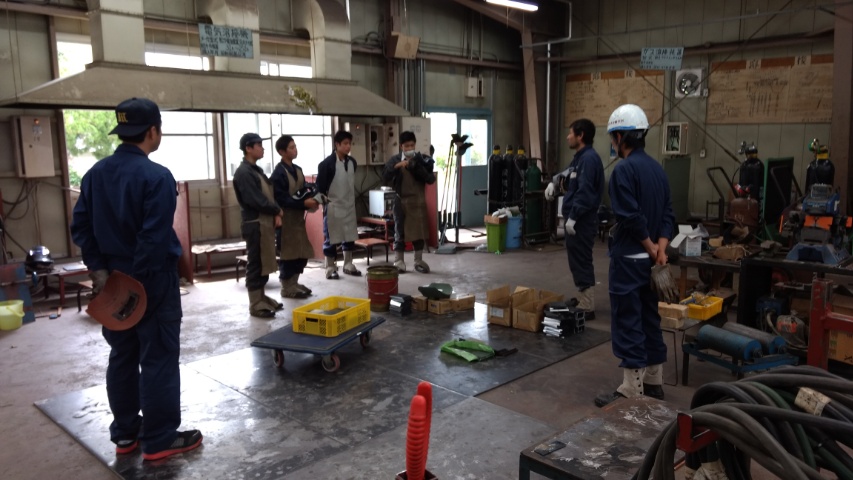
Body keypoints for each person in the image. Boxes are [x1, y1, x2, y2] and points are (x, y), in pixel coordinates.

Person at [70, 97, 203, 460]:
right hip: (151, 279)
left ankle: (126, 434)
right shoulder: (157, 177)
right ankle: (159, 438)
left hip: (112, 281)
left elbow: (81, 227)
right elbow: (153, 237)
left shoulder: (94, 174)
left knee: (122, 355)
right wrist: (139, 282)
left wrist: (101, 271)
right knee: (158, 356)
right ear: (153, 131)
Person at [594, 104, 675, 408]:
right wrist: (660, 250)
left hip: (630, 259)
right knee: (649, 317)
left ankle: (631, 388)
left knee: (628, 319)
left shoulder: (623, 170)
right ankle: (654, 381)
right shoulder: (658, 169)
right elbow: (668, 213)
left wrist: (649, 246)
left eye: (613, 137)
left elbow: (629, 215)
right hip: (652, 263)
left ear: (620, 137)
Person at [544, 118, 604, 319]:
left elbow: (586, 192)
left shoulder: (589, 160)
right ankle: (582, 297)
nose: (568, 137)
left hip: (582, 222)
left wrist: (574, 217)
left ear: (581, 136)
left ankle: (587, 305)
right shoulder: (580, 158)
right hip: (577, 220)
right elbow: (568, 173)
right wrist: (554, 182)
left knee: (582, 259)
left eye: (571, 133)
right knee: (576, 259)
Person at [232, 132, 284, 317]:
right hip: (255, 224)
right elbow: (256, 200)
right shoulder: (244, 173)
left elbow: (268, 195)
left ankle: (262, 296)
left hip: (264, 223)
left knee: (264, 262)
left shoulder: (256, 170)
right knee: (256, 263)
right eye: (259, 145)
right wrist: (276, 210)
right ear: (248, 148)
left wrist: (275, 211)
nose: (263, 148)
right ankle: (255, 303)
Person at [270, 135, 318, 298]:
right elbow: (281, 199)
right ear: (281, 152)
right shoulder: (278, 173)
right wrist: (303, 203)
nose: (295, 150)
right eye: (291, 147)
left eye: (295, 146)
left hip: (298, 219)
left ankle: (294, 282)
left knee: (301, 253)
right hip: (286, 220)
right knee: (288, 254)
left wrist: (312, 198)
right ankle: (286, 287)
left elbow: (302, 190)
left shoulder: (298, 169)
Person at [382, 130, 436, 273]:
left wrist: (416, 167)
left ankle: (418, 260)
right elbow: (385, 176)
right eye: (406, 146)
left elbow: (430, 179)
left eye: (412, 145)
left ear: (415, 145)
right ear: (401, 146)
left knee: (418, 232)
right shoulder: (394, 160)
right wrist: (398, 166)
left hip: (417, 201)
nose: (409, 148)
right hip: (400, 200)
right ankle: (399, 260)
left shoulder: (422, 159)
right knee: (399, 230)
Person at [316, 130, 361, 279]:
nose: (348, 146)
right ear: (337, 144)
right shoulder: (326, 164)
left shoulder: (352, 162)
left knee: (349, 235)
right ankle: (330, 267)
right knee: (331, 238)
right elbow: (320, 189)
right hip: (333, 207)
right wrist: (324, 205)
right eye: (345, 143)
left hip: (349, 206)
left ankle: (348, 264)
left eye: (350, 143)